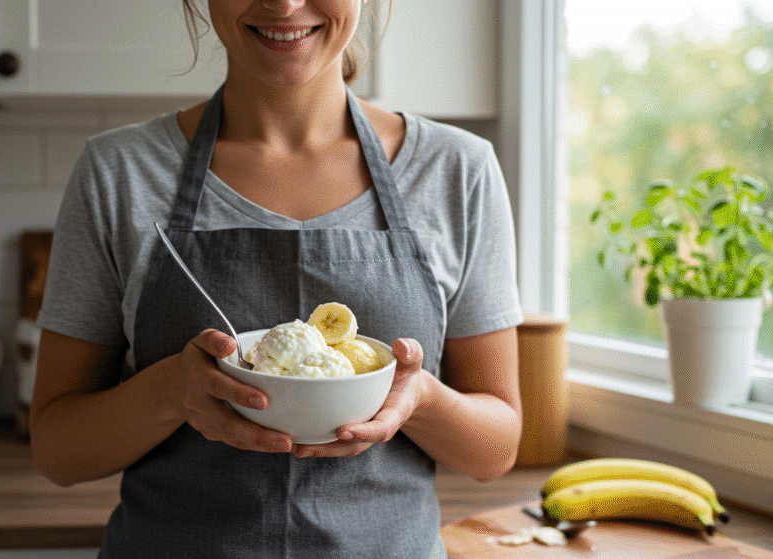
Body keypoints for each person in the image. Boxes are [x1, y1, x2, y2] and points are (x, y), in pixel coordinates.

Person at [30, 0, 523, 556]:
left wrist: (419, 398)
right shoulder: (118, 172)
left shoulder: (458, 171)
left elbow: (495, 450)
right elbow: (56, 450)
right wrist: (172, 393)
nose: (285, 4)